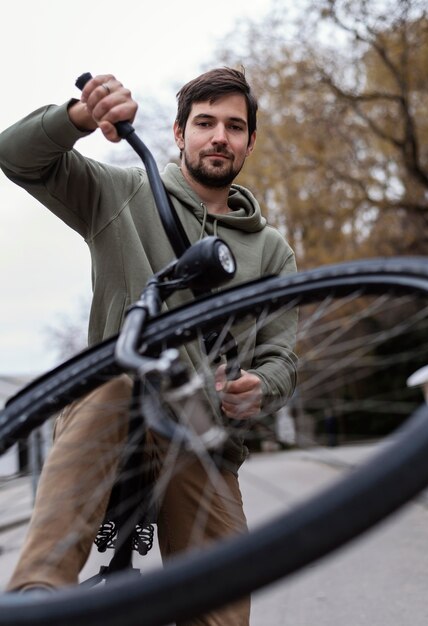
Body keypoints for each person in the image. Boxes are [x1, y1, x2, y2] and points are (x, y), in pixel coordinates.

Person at [0, 68, 298, 625]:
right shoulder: (125, 191)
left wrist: (262, 387)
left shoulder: (273, 251)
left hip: (201, 438)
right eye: (205, 123)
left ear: (250, 142)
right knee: (110, 379)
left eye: (235, 127)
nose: (220, 137)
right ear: (180, 133)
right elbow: (16, 157)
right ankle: (37, 598)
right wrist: (81, 118)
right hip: (115, 408)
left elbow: (281, 356)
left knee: (223, 612)